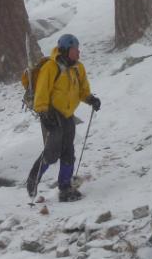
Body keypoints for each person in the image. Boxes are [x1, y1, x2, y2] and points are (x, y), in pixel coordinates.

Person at [26, 34, 101, 202]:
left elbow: (83, 91)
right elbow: (42, 92)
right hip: (51, 114)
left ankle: (65, 188)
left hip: (67, 115)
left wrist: (91, 99)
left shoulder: (78, 68)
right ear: (66, 50)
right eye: (75, 50)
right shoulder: (51, 67)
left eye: (78, 49)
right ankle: (32, 179)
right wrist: (43, 113)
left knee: (68, 152)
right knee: (52, 153)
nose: (78, 52)